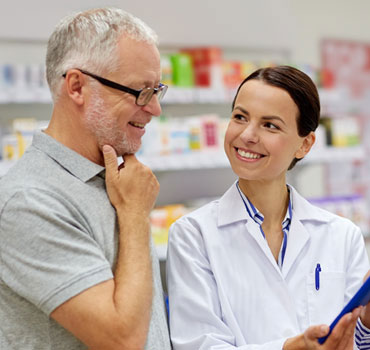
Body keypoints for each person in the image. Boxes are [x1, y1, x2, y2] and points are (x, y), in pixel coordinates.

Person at [0, 7, 171, 350]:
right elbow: (122, 340)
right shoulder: (31, 201)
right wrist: (136, 216)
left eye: (157, 90)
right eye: (140, 91)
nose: (154, 109)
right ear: (77, 86)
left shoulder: (115, 180)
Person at [166, 65, 370, 349]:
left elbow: (356, 341)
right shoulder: (193, 235)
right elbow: (199, 345)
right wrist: (289, 348)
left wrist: (367, 324)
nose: (247, 135)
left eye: (270, 125)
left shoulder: (342, 235)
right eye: (240, 117)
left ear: (305, 144)